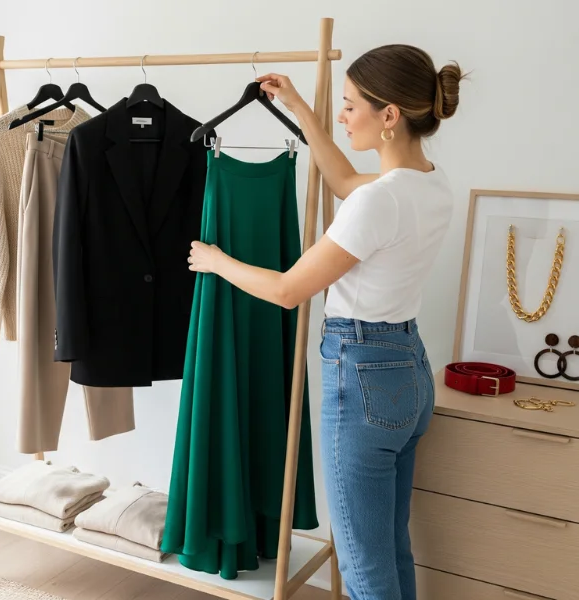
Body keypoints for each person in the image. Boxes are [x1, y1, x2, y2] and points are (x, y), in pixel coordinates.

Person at [186, 44, 466, 599]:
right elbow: (343, 182)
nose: (343, 116)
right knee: (389, 545)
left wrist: (216, 261)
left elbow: (289, 291)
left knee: (363, 564)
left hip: (362, 375)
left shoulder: (379, 203)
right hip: (408, 372)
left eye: (349, 106)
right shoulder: (431, 183)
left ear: (389, 116)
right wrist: (300, 109)